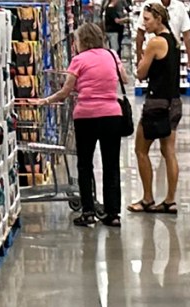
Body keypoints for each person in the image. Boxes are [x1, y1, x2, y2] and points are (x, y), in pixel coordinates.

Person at [19, 24, 128, 227]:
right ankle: (113, 214)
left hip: (86, 117)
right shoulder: (112, 55)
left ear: (83, 41)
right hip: (112, 116)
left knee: (85, 165)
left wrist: (44, 101)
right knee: (111, 165)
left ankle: (88, 212)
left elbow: (65, 91)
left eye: (76, 41)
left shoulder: (78, 60)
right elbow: (125, 79)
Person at [128, 3, 183, 213]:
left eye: (148, 19)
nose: (145, 23)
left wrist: (142, 58)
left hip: (156, 104)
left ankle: (148, 198)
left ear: (159, 18)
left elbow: (140, 74)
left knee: (140, 150)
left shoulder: (155, 43)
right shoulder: (173, 40)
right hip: (174, 103)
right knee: (169, 151)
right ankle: (170, 200)